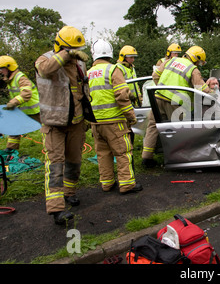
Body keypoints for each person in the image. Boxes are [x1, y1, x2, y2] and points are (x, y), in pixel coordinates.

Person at [34, 26, 90, 225]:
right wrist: (65, 54)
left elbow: (83, 89)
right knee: (56, 165)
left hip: (76, 121)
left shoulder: (79, 65)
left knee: (74, 161)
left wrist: (87, 117)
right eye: (71, 49)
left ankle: (69, 193)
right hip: (54, 124)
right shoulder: (44, 60)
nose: (75, 54)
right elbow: (45, 71)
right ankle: (56, 209)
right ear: (61, 46)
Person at [141, 45, 219, 168]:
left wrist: (162, 88)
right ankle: (179, 158)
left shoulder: (170, 61)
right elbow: (202, 89)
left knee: (152, 127)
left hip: (158, 98)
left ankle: (146, 157)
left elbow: (155, 76)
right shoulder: (193, 69)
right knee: (181, 131)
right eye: (199, 62)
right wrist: (215, 95)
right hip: (175, 103)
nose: (199, 64)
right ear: (196, 58)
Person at [87, 39, 142, 195]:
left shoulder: (88, 73)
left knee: (103, 154)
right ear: (110, 54)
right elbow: (122, 96)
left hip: (95, 123)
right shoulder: (113, 70)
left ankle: (107, 183)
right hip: (115, 121)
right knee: (123, 153)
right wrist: (131, 116)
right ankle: (127, 185)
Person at [0, 55, 40, 152]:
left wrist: (13, 103)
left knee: (48, 129)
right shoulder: (10, 80)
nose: (0, 71)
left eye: (2, 68)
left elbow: (27, 94)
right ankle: (11, 149)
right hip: (23, 110)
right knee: (14, 127)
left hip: (35, 110)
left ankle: (53, 147)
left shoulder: (20, 77)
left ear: (9, 67)